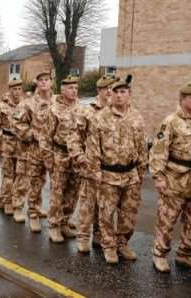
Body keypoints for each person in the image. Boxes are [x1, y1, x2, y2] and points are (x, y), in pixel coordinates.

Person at [85, 75, 147, 263]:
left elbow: (142, 146)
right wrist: (95, 171)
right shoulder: (100, 117)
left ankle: (122, 243)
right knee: (106, 214)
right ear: (110, 94)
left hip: (130, 174)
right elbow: (93, 147)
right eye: (116, 92)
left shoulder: (136, 116)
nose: (119, 96)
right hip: (108, 174)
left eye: (123, 92)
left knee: (129, 213)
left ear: (129, 94)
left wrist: (141, 170)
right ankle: (109, 246)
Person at [150, 81, 191, 272]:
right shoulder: (171, 122)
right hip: (175, 179)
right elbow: (159, 151)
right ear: (182, 99)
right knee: (167, 219)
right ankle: (159, 254)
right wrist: (159, 177)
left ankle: (185, 253)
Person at [72, 74, 114, 252]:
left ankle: (99, 235)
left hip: (111, 169)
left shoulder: (118, 111)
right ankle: (82, 237)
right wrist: (80, 158)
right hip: (90, 166)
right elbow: (74, 138)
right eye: (107, 89)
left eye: (114, 88)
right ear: (99, 91)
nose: (111, 92)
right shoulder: (87, 111)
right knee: (87, 204)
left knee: (105, 207)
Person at [40, 75, 82, 242]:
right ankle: (54, 226)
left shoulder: (82, 108)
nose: (74, 91)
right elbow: (45, 136)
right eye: (70, 88)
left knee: (73, 193)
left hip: (77, 157)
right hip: (60, 154)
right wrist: (48, 158)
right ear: (63, 90)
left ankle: (65, 222)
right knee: (58, 193)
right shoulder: (54, 109)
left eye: (76, 88)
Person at [11, 70, 56, 225]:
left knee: (49, 182)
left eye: (47, 79)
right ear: (36, 83)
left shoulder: (57, 102)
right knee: (28, 179)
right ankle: (19, 207)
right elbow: (16, 123)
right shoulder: (28, 103)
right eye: (41, 79)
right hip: (32, 148)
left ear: (51, 82)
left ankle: (42, 210)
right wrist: (31, 134)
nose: (44, 82)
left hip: (53, 149)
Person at [0, 78, 24, 214]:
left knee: (19, 176)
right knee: (8, 176)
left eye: (19, 89)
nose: (17, 92)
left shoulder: (25, 105)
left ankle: (11, 200)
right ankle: (6, 201)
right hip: (6, 142)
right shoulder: (1, 106)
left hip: (21, 144)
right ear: (9, 90)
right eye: (14, 89)